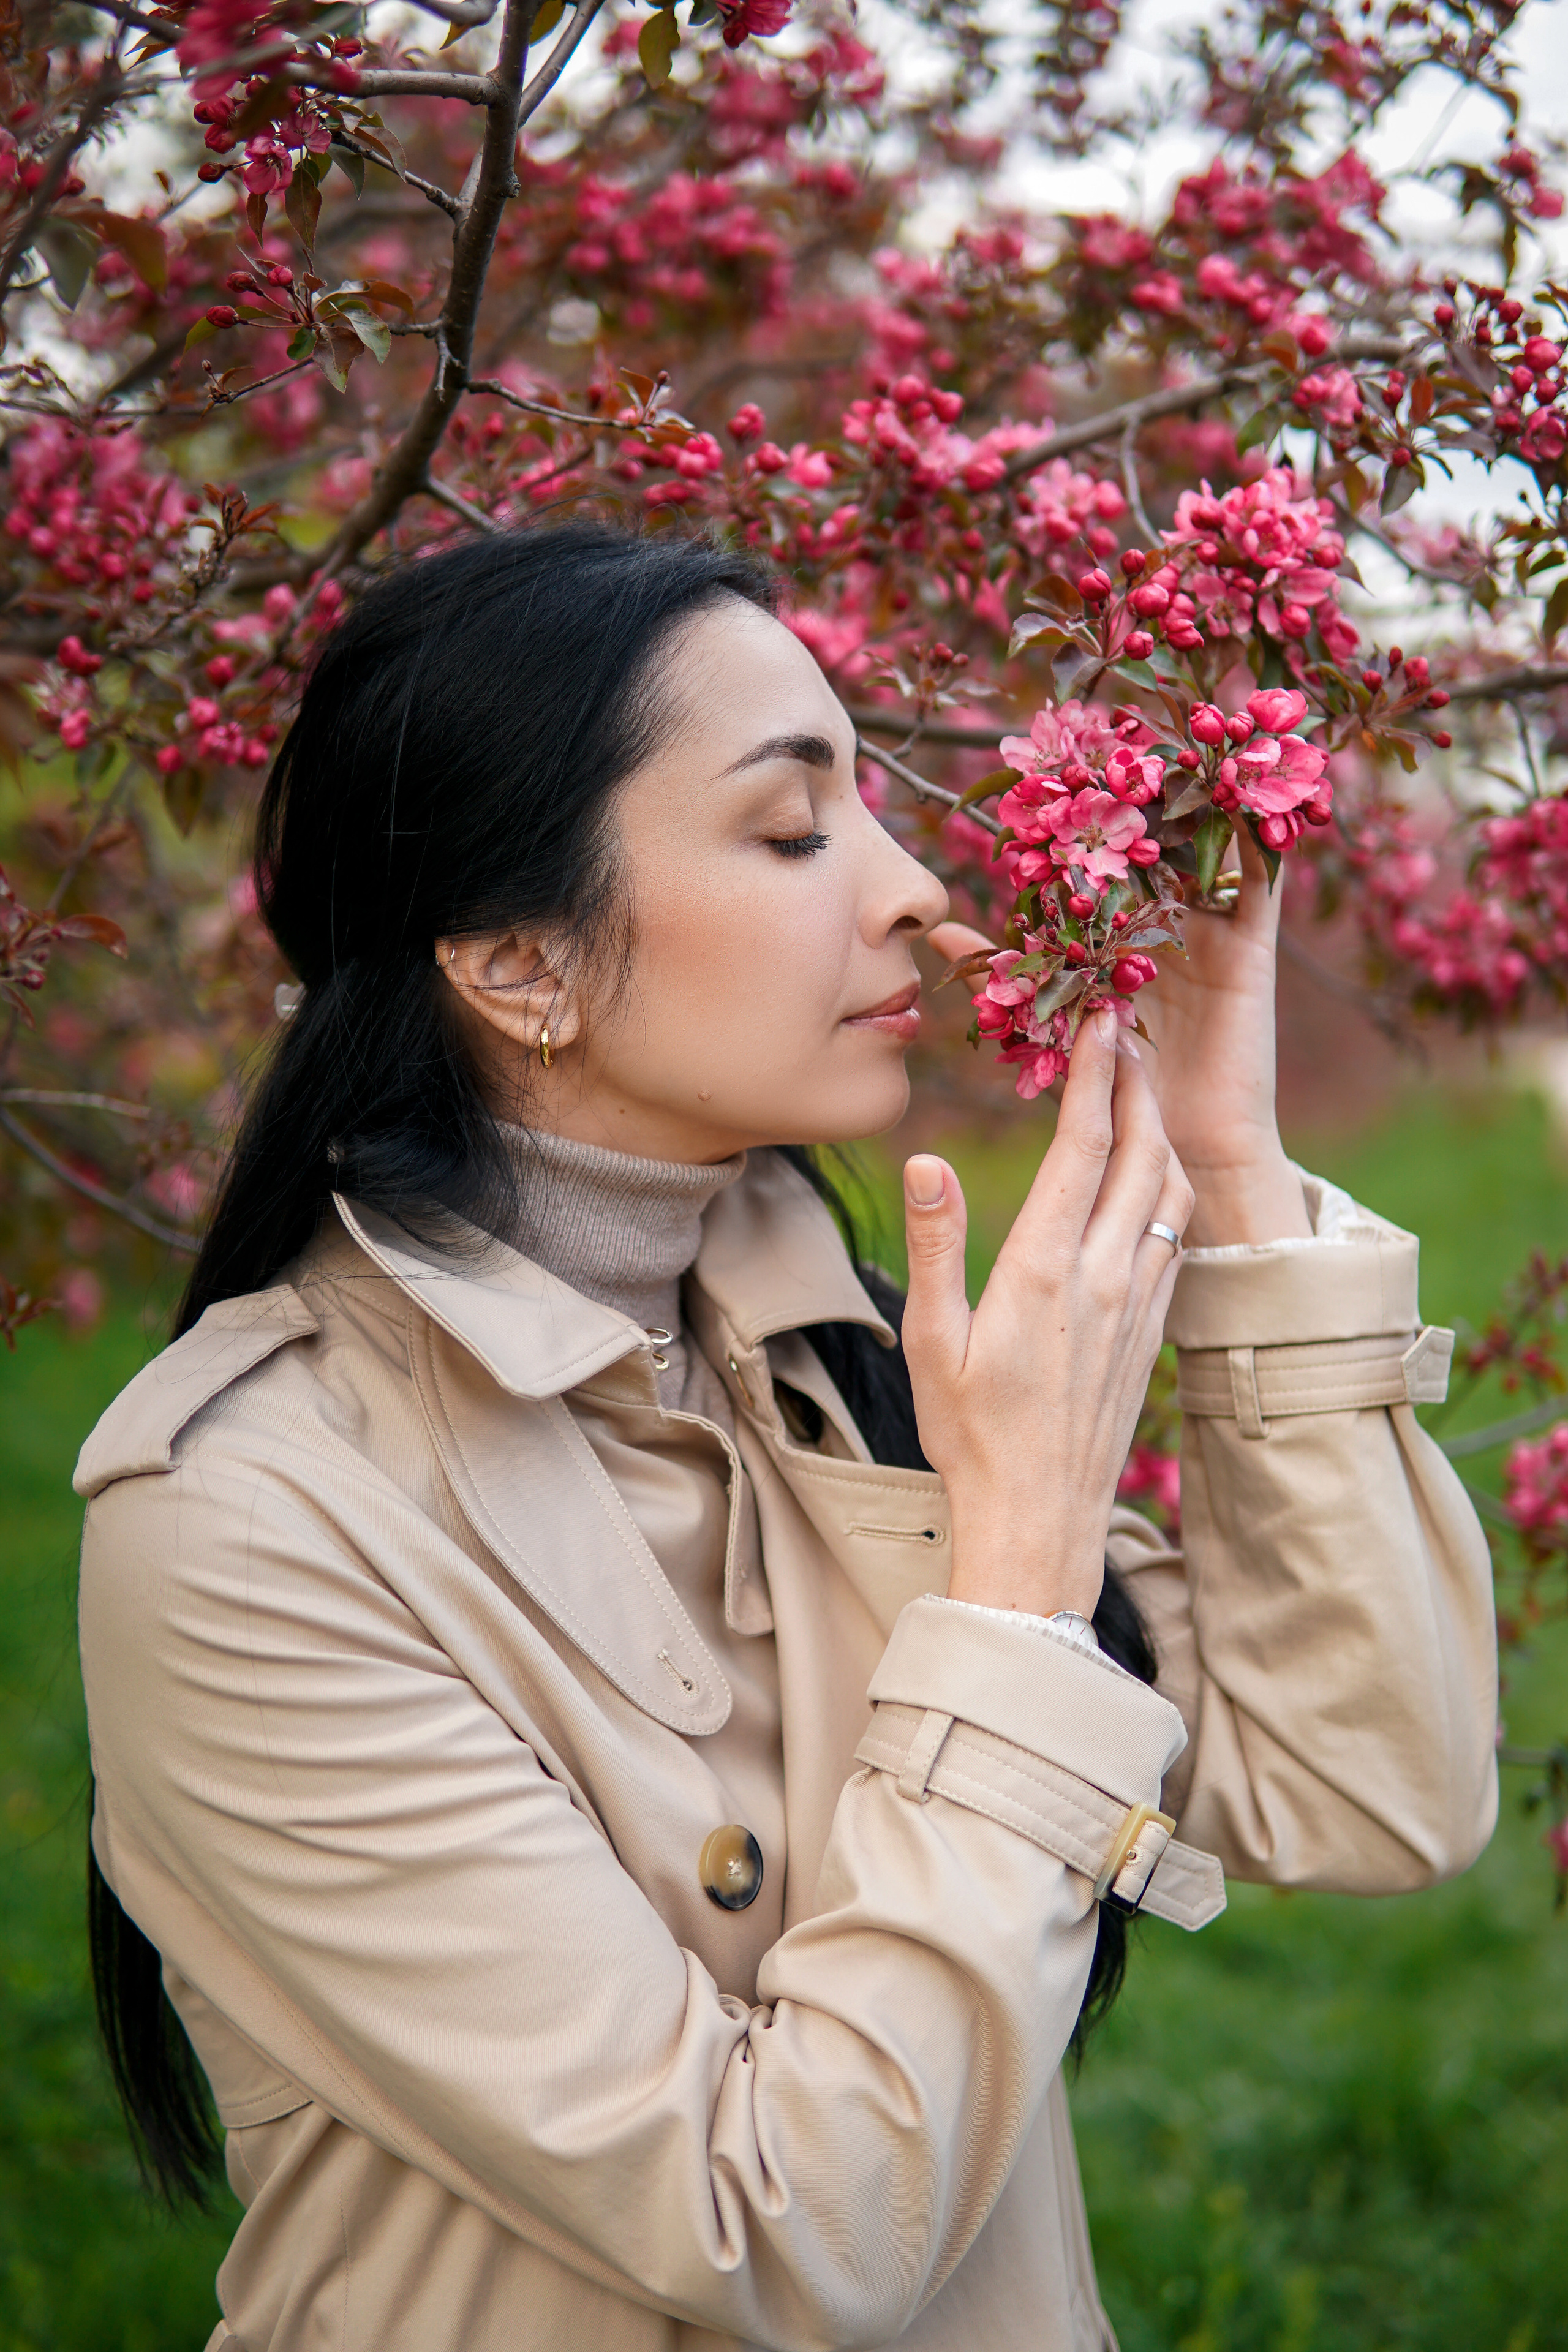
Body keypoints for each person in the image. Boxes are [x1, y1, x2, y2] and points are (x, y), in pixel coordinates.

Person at [76, 522, 1498, 2352]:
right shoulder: (249, 1523)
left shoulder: (819, 1346)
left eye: (876, 811)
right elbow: (783, 2231)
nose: (913, 890)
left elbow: (1375, 1790)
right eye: (792, 827)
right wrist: (1014, 1585)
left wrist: (1226, 1162)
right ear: (520, 964)